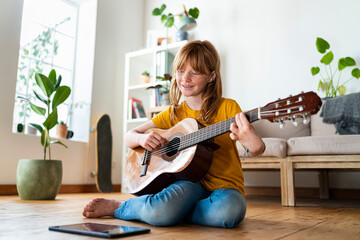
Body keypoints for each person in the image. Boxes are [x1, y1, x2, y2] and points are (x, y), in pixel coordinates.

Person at [83, 40, 265, 228]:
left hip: (225, 189)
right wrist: (142, 138)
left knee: (229, 212)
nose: (185, 78)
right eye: (180, 71)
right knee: (161, 210)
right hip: (188, 184)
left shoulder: (229, 107)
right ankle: (121, 207)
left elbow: (255, 149)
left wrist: (255, 144)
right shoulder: (174, 114)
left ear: (211, 76)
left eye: (194, 72)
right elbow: (130, 136)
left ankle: (169, 211)